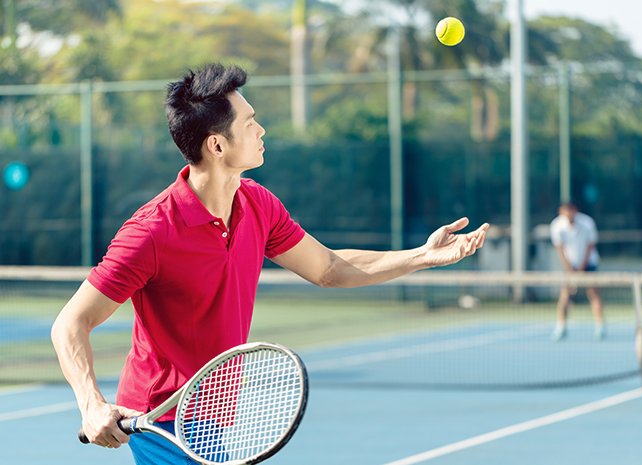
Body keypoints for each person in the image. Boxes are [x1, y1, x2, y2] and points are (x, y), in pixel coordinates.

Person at [51, 62, 490, 465]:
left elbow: (329, 268)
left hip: (216, 416)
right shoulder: (151, 231)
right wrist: (91, 403)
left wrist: (421, 256)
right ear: (217, 144)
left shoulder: (257, 204)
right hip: (162, 419)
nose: (262, 129)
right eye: (250, 122)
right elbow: (70, 323)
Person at [549, 202, 604, 341]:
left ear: (576, 210)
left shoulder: (587, 223)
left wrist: (581, 267)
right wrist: (569, 268)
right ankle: (561, 327)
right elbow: (560, 249)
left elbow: (590, 245)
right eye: (565, 211)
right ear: (560, 211)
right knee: (565, 295)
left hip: (589, 263)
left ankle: (600, 327)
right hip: (570, 266)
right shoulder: (556, 226)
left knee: (593, 293)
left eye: (571, 210)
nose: (568, 214)